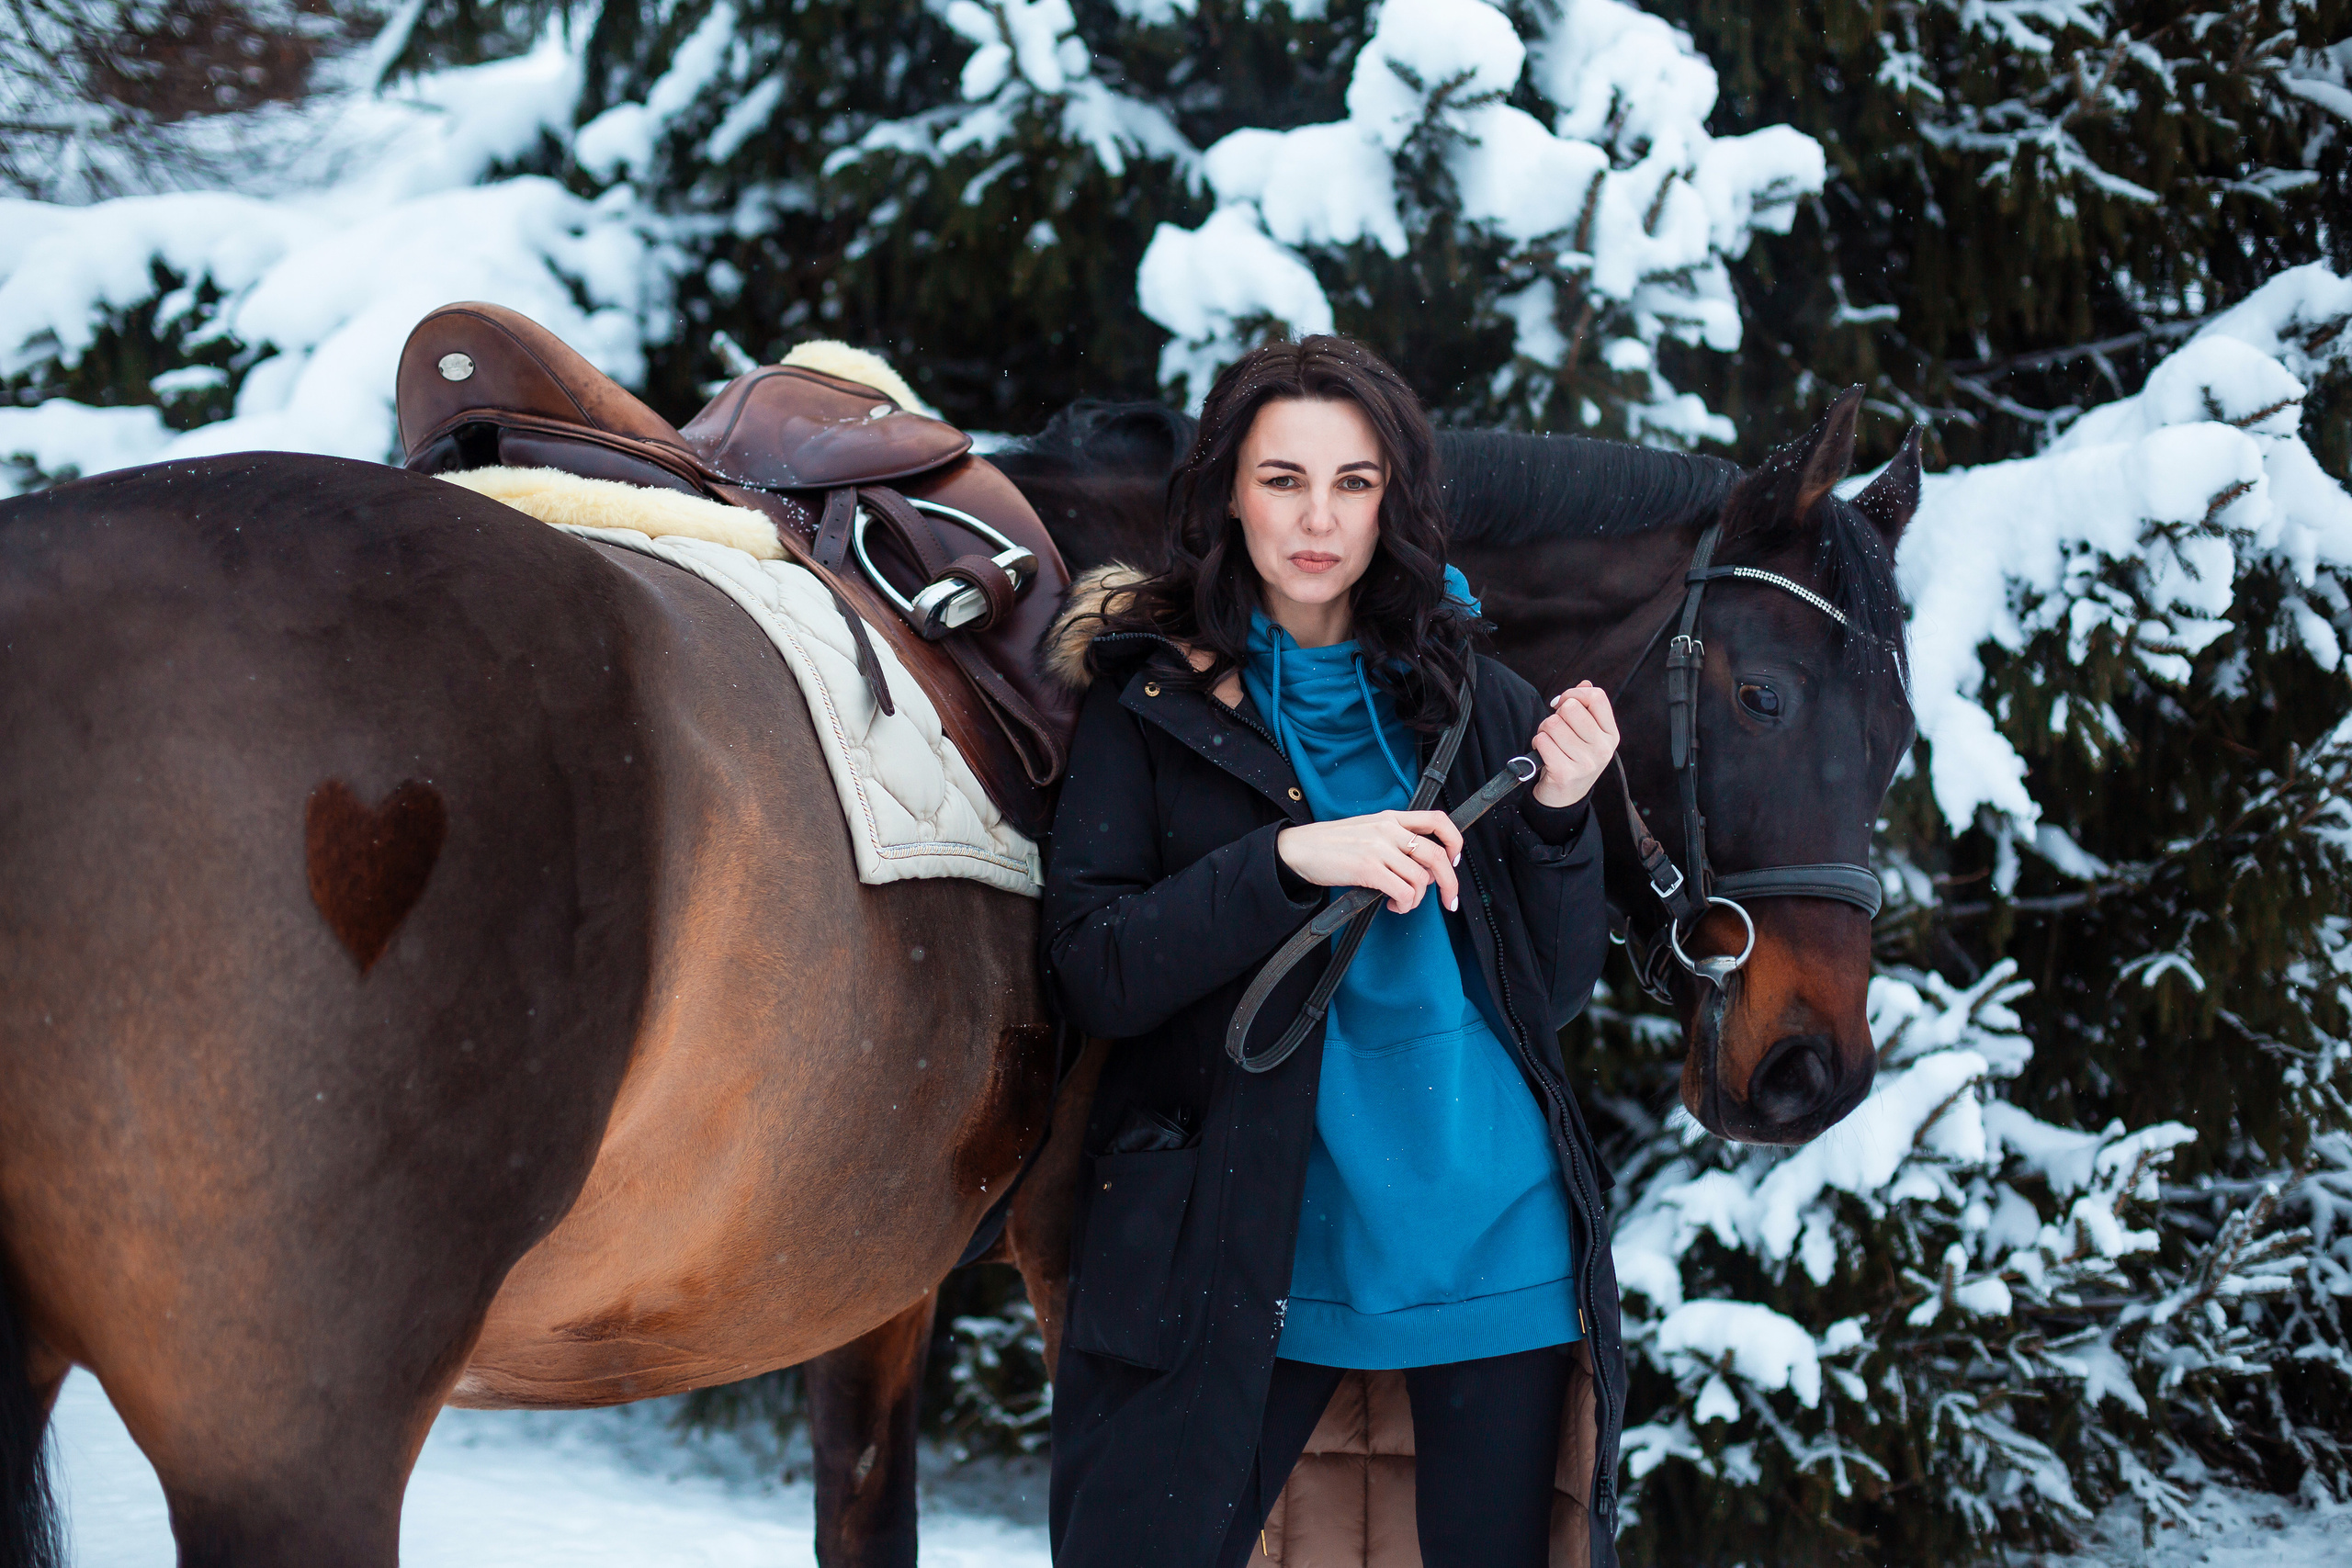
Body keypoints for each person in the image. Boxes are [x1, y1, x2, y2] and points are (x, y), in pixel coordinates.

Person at [1039, 335, 1627, 1568]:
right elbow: (1095, 967)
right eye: (1283, 478)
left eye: (1353, 483)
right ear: (1225, 492)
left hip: (1495, 1230)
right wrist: (1289, 862)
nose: (1318, 518)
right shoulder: (1147, 704)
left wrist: (1566, 817)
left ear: (1394, 501)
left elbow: (1552, 991)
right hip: (1248, 1232)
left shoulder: (1476, 697)